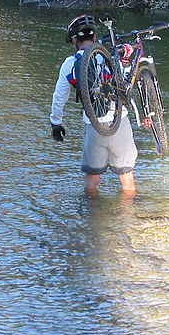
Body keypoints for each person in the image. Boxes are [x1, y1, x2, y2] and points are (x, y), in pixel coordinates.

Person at [50, 14, 138, 198]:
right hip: (118, 123)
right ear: (95, 37)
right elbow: (127, 82)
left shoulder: (69, 64)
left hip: (93, 126)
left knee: (91, 182)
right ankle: (128, 221)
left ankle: (92, 223)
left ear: (74, 39)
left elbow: (59, 97)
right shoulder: (108, 56)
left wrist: (56, 123)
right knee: (127, 179)